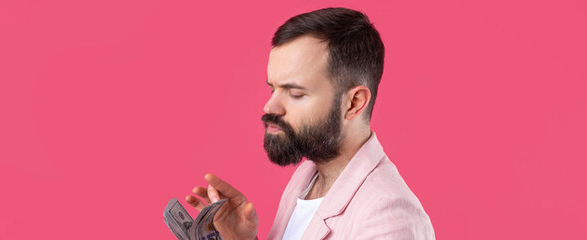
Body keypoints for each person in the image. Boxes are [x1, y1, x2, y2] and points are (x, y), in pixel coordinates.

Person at [184, 7, 436, 240]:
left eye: (295, 93)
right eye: (272, 89)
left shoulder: (388, 217)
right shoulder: (306, 178)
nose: (270, 107)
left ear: (354, 103)